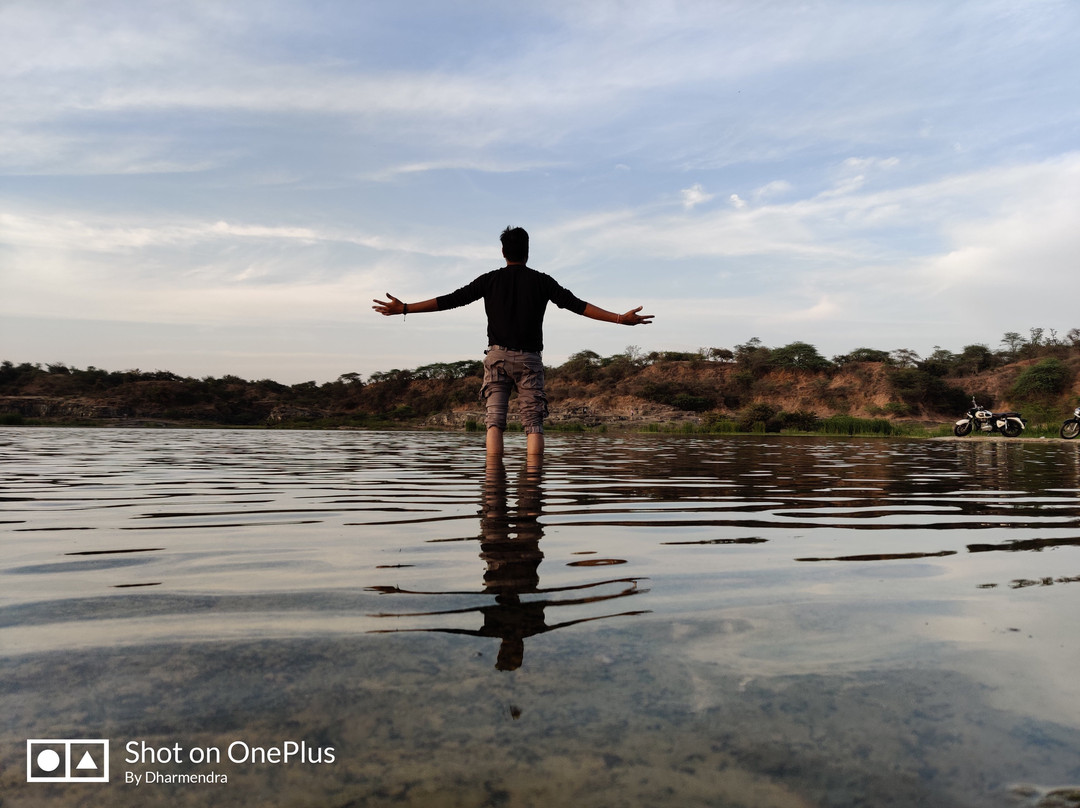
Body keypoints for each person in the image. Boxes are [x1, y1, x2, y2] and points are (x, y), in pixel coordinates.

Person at [372, 226, 653, 456]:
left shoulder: (489, 280)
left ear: (503, 252)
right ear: (527, 252)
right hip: (530, 360)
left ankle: (493, 488)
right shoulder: (542, 281)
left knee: (494, 422)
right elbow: (578, 306)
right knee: (533, 424)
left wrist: (405, 308)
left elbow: (450, 300)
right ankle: (533, 488)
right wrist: (620, 318)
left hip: (497, 359)